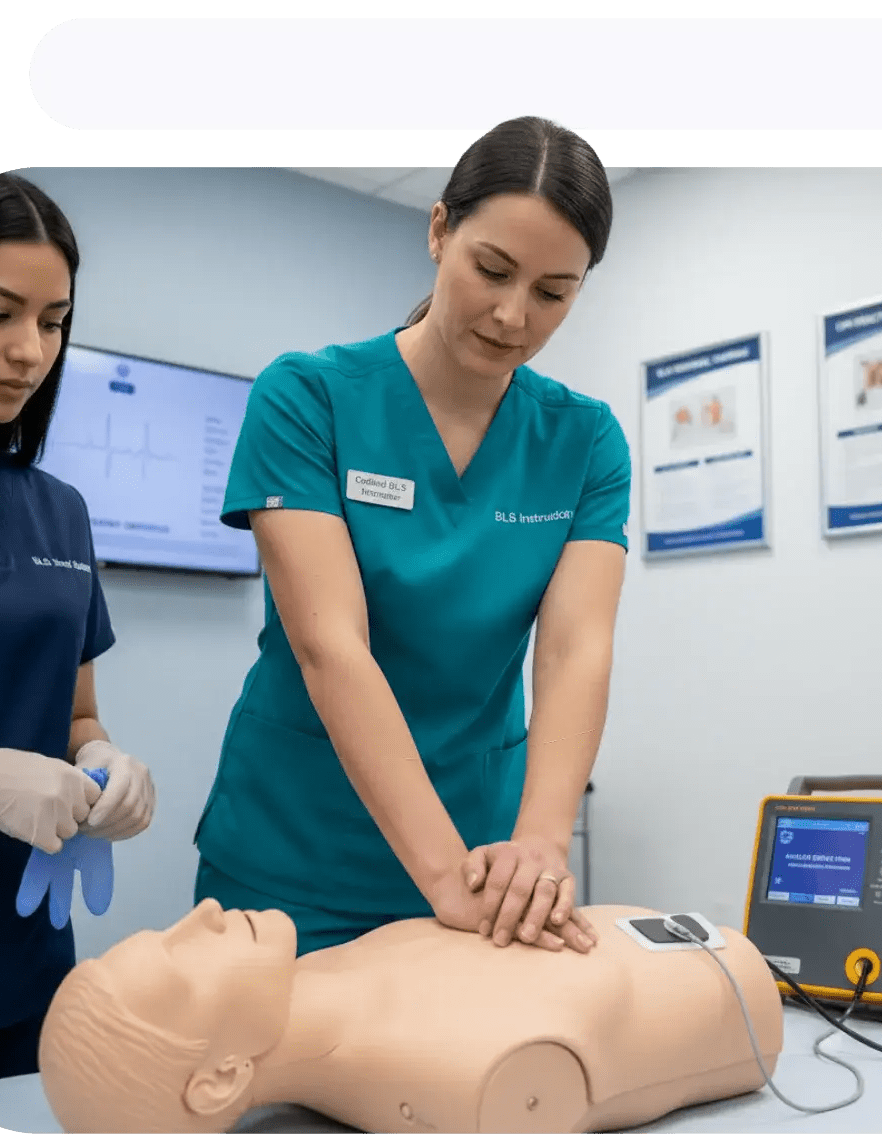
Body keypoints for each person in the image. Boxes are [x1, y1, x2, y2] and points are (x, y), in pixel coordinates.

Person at [193, 117, 630, 958]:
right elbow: (331, 647)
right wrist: (440, 878)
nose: (512, 316)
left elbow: (577, 649)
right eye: (491, 270)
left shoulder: (584, 442)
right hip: (296, 856)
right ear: (439, 232)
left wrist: (540, 843)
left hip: (482, 859)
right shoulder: (307, 398)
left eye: (552, 292)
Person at [0, 173, 157, 1086]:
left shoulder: (60, 511)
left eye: (53, 321)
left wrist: (106, 763)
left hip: (30, 959)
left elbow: (74, 717)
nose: (30, 351)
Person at [38, 897, 784, 1134]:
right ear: (218, 1080)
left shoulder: (319, 974)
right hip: (729, 994)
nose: (198, 914)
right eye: (178, 964)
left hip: (694, 944)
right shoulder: (458, 1078)